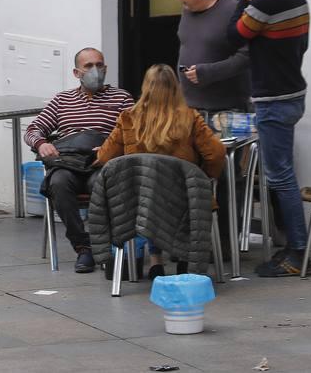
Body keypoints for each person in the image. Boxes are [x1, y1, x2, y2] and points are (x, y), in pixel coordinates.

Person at [228, 0, 311, 277]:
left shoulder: (267, 2)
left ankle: (297, 252)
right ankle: (291, 247)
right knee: (281, 175)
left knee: (281, 177)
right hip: (293, 93)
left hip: (273, 100)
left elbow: (233, 35)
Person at [94, 63, 226, 278]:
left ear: (146, 88)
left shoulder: (128, 118)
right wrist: (205, 176)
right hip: (183, 197)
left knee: (150, 194)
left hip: (137, 201)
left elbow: (105, 158)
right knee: (174, 198)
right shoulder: (190, 118)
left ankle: (156, 263)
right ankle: (185, 261)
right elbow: (217, 153)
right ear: (176, 88)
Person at [24, 47, 133, 273]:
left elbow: (135, 135)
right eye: (89, 66)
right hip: (69, 162)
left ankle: (104, 244)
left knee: (101, 184)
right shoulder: (62, 100)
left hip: (101, 162)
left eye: (99, 65)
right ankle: (83, 248)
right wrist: (42, 144)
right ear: (76, 73)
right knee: (58, 183)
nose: (96, 70)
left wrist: (111, 147)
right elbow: (33, 129)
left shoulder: (121, 98)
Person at [173, 0, 250, 114]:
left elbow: (247, 56)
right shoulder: (188, 9)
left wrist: (209, 73)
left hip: (225, 112)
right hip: (188, 108)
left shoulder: (233, 11)